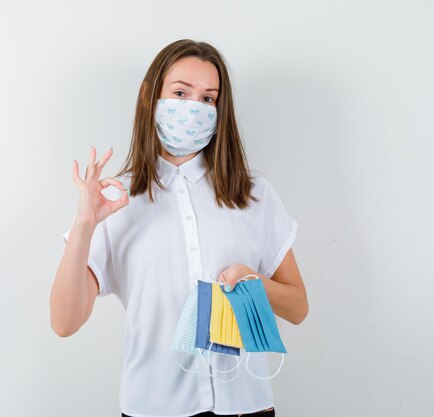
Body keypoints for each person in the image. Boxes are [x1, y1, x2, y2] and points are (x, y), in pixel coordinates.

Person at [50, 39, 309, 417]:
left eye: (208, 99)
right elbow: (64, 322)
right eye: (180, 92)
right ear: (149, 97)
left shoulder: (252, 195)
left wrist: (252, 280)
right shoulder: (115, 200)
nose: (194, 108)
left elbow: (298, 307)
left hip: (246, 408)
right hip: (155, 407)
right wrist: (84, 223)